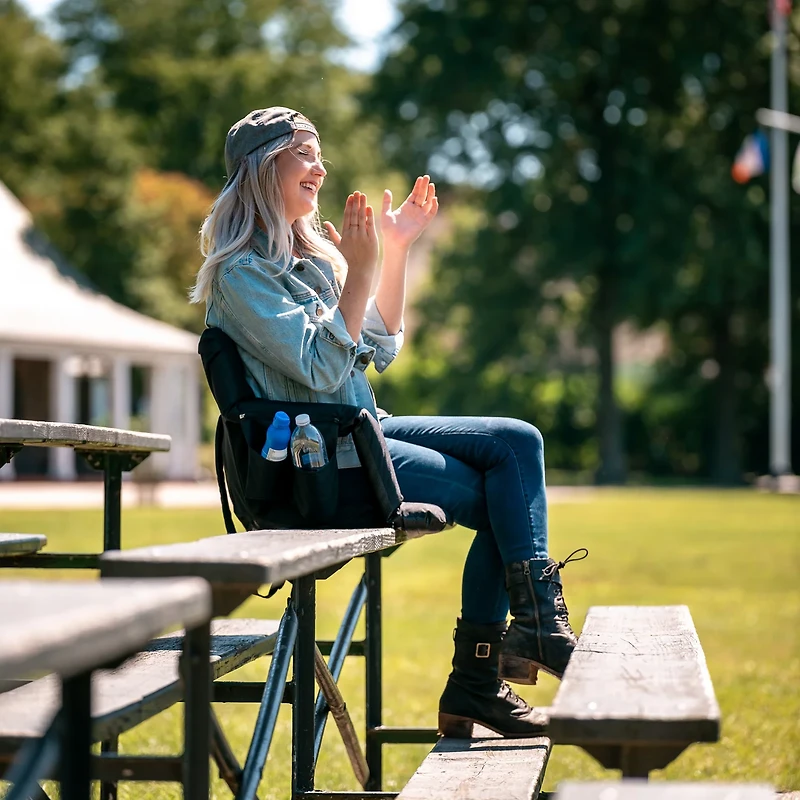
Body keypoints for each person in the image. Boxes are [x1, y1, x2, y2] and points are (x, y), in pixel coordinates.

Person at [191, 107, 587, 738]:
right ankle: (482, 680)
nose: (320, 166)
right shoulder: (242, 276)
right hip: (321, 465)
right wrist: (363, 270)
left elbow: (377, 344)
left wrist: (394, 251)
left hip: (362, 430)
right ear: (265, 168)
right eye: (304, 152)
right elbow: (322, 368)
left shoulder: (312, 255)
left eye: (319, 152)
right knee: (501, 493)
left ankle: (526, 632)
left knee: (517, 441)